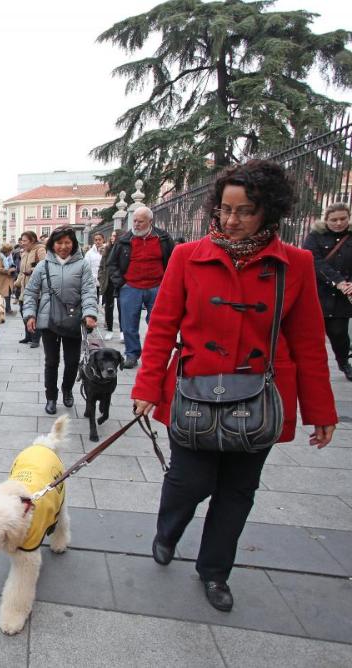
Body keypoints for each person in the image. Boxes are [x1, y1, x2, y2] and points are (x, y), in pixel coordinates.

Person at [131, 160, 337, 613]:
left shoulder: (295, 264)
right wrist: (146, 387)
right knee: (188, 481)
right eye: (225, 209)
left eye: (244, 211)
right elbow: (162, 326)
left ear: (269, 211)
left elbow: (308, 344)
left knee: (238, 491)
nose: (231, 220)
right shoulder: (187, 256)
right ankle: (168, 530)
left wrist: (322, 412)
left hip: (261, 397)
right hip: (194, 391)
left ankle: (215, 571)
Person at [22, 227, 98, 414]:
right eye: (59, 242)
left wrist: (90, 313)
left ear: (73, 244)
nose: (63, 246)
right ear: (52, 244)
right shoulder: (43, 265)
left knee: (72, 362)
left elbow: (89, 291)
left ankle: (67, 390)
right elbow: (31, 292)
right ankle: (51, 397)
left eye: (67, 242)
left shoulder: (82, 265)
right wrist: (30, 315)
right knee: (51, 362)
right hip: (49, 321)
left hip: (73, 320)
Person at [105, 206, 175, 368]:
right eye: (134, 221)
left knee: (157, 323)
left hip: (157, 287)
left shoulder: (163, 238)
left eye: (140, 221)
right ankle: (131, 354)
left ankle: (155, 354)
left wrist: (168, 283)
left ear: (150, 222)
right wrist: (121, 284)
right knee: (129, 324)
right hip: (130, 287)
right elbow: (111, 263)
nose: (136, 224)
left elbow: (173, 261)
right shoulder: (124, 240)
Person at [303, 202, 352, 381]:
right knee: (312, 334)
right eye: (334, 220)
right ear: (326, 220)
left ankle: (344, 361)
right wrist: (337, 281)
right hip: (318, 292)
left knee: (339, 332)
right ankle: (312, 367)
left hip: (342, 296)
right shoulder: (315, 236)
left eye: (343, 219)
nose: (339, 223)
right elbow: (313, 261)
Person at [16, 230, 46, 347]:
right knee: (23, 311)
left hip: (36, 289)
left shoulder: (40, 249)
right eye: (21, 241)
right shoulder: (24, 253)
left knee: (34, 314)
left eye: (25, 241)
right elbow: (21, 271)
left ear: (32, 240)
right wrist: (17, 282)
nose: (22, 243)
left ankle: (35, 339)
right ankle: (28, 336)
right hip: (24, 288)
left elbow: (45, 265)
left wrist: (32, 271)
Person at [98, 230, 120, 338]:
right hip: (108, 281)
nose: (112, 238)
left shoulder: (125, 249)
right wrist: (101, 279)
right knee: (108, 307)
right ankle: (110, 329)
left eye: (115, 236)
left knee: (122, 307)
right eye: (111, 235)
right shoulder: (107, 249)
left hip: (121, 282)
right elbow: (102, 266)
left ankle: (122, 332)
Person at [0, 243, 17, 315]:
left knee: (8, 294)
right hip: (2, 279)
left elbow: (11, 264)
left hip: (8, 279)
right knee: (0, 295)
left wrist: (13, 268)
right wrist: (9, 270)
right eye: (9, 251)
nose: (10, 252)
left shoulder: (9, 256)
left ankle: (8, 308)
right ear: (5, 250)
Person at [84, 232, 106, 297]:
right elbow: (86, 268)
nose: (98, 241)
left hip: (105, 281)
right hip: (93, 282)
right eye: (96, 240)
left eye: (99, 239)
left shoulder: (108, 251)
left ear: (103, 240)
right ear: (94, 241)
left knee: (105, 303)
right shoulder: (89, 253)